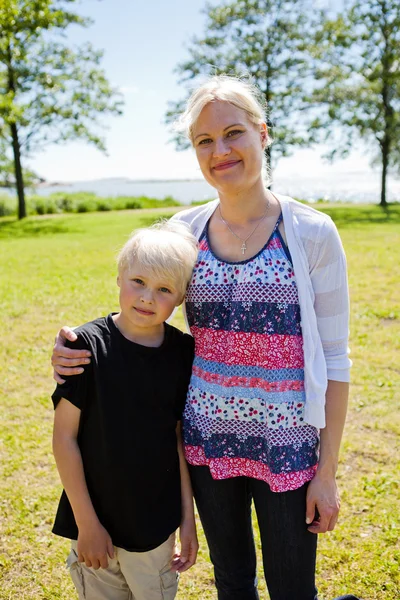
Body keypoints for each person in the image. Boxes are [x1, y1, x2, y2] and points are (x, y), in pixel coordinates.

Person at [52, 76, 361, 600]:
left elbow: (335, 360)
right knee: (232, 582)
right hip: (207, 442)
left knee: (292, 587)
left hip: (286, 446)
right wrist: (79, 346)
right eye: (204, 141)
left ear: (263, 134)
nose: (220, 151)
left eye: (233, 133)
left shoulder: (311, 233)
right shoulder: (183, 232)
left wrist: (326, 472)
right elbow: (143, 308)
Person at [51, 221, 199, 600]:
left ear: (181, 297)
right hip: (94, 523)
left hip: (154, 529)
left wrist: (187, 522)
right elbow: (65, 439)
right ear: (119, 277)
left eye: (164, 289)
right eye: (138, 281)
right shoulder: (85, 347)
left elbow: (178, 441)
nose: (147, 297)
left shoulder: (184, 354)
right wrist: (87, 524)